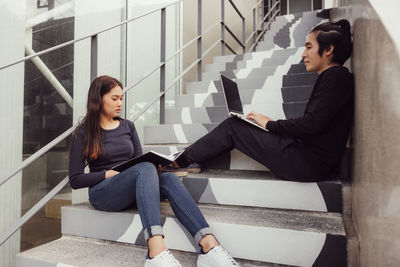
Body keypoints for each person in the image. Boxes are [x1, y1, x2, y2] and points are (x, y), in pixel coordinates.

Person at [68, 75, 239, 267]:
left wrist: (158, 166)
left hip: (131, 187)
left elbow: (139, 161)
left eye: (121, 98)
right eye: (114, 98)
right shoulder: (84, 133)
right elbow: (75, 180)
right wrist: (106, 174)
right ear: (98, 99)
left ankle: (208, 246)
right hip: (103, 193)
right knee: (145, 168)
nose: (120, 103)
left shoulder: (128, 126)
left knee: (168, 179)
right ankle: (155, 251)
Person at [176, 20, 354, 182]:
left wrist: (270, 124)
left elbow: (310, 125)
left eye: (308, 47)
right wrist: (269, 125)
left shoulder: (336, 77)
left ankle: (181, 161)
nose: (303, 54)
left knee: (233, 126)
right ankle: (191, 158)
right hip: (308, 159)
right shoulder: (334, 77)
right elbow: (313, 125)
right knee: (241, 124)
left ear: (329, 50)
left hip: (307, 164)